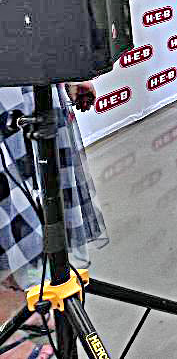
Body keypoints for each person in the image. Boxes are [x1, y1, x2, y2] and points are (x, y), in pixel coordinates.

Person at [1, 82, 104, 359]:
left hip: (29, 86)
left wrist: (65, 72)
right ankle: (10, 337)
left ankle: (27, 311)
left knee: (31, 208)